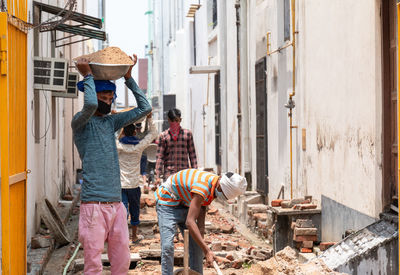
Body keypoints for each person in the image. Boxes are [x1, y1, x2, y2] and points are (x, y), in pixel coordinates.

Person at [72, 55, 152, 274]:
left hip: (116, 204)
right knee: (93, 263)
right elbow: (89, 105)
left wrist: (129, 78)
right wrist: (88, 74)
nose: (107, 102)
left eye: (110, 98)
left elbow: (145, 108)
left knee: (122, 260)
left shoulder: (111, 122)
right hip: (93, 206)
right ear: (92, 94)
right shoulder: (80, 121)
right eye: (103, 97)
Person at [154, 169, 247, 275]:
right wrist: (207, 251)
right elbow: (190, 221)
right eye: (223, 195)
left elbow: (202, 206)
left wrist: (201, 240)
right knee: (167, 246)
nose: (219, 197)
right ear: (220, 186)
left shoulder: (213, 185)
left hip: (186, 203)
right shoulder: (203, 186)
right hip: (167, 201)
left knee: (197, 246)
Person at [116, 113, 158, 244]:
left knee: (122, 212)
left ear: (123, 133)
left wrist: (117, 121)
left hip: (121, 185)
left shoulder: (118, 146)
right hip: (134, 185)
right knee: (135, 210)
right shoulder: (139, 146)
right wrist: (150, 118)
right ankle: (134, 236)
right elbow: (153, 133)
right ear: (135, 132)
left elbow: (111, 135)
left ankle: (122, 238)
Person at [155, 108, 198, 185]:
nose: (174, 123)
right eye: (172, 121)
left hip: (184, 175)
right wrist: (158, 176)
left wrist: (195, 174)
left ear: (180, 120)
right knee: (169, 197)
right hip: (169, 175)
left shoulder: (187, 134)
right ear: (168, 120)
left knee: (184, 196)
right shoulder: (163, 136)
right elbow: (160, 157)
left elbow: (192, 155)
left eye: (176, 120)